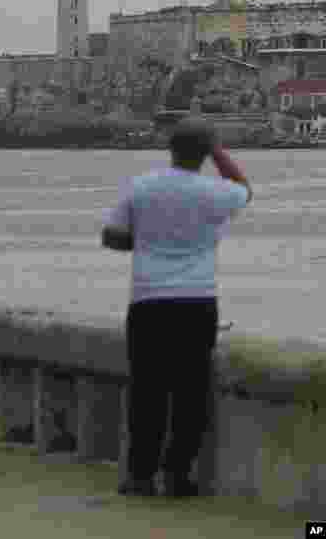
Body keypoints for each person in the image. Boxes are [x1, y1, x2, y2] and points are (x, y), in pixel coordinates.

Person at [103, 119, 252, 498]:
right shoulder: (213, 192)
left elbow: (112, 236)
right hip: (197, 301)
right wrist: (219, 151)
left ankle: (139, 476)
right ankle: (178, 475)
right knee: (191, 392)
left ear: (169, 149)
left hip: (148, 300)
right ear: (205, 153)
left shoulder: (141, 186)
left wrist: (147, 244)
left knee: (147, 391)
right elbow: (245, 191)